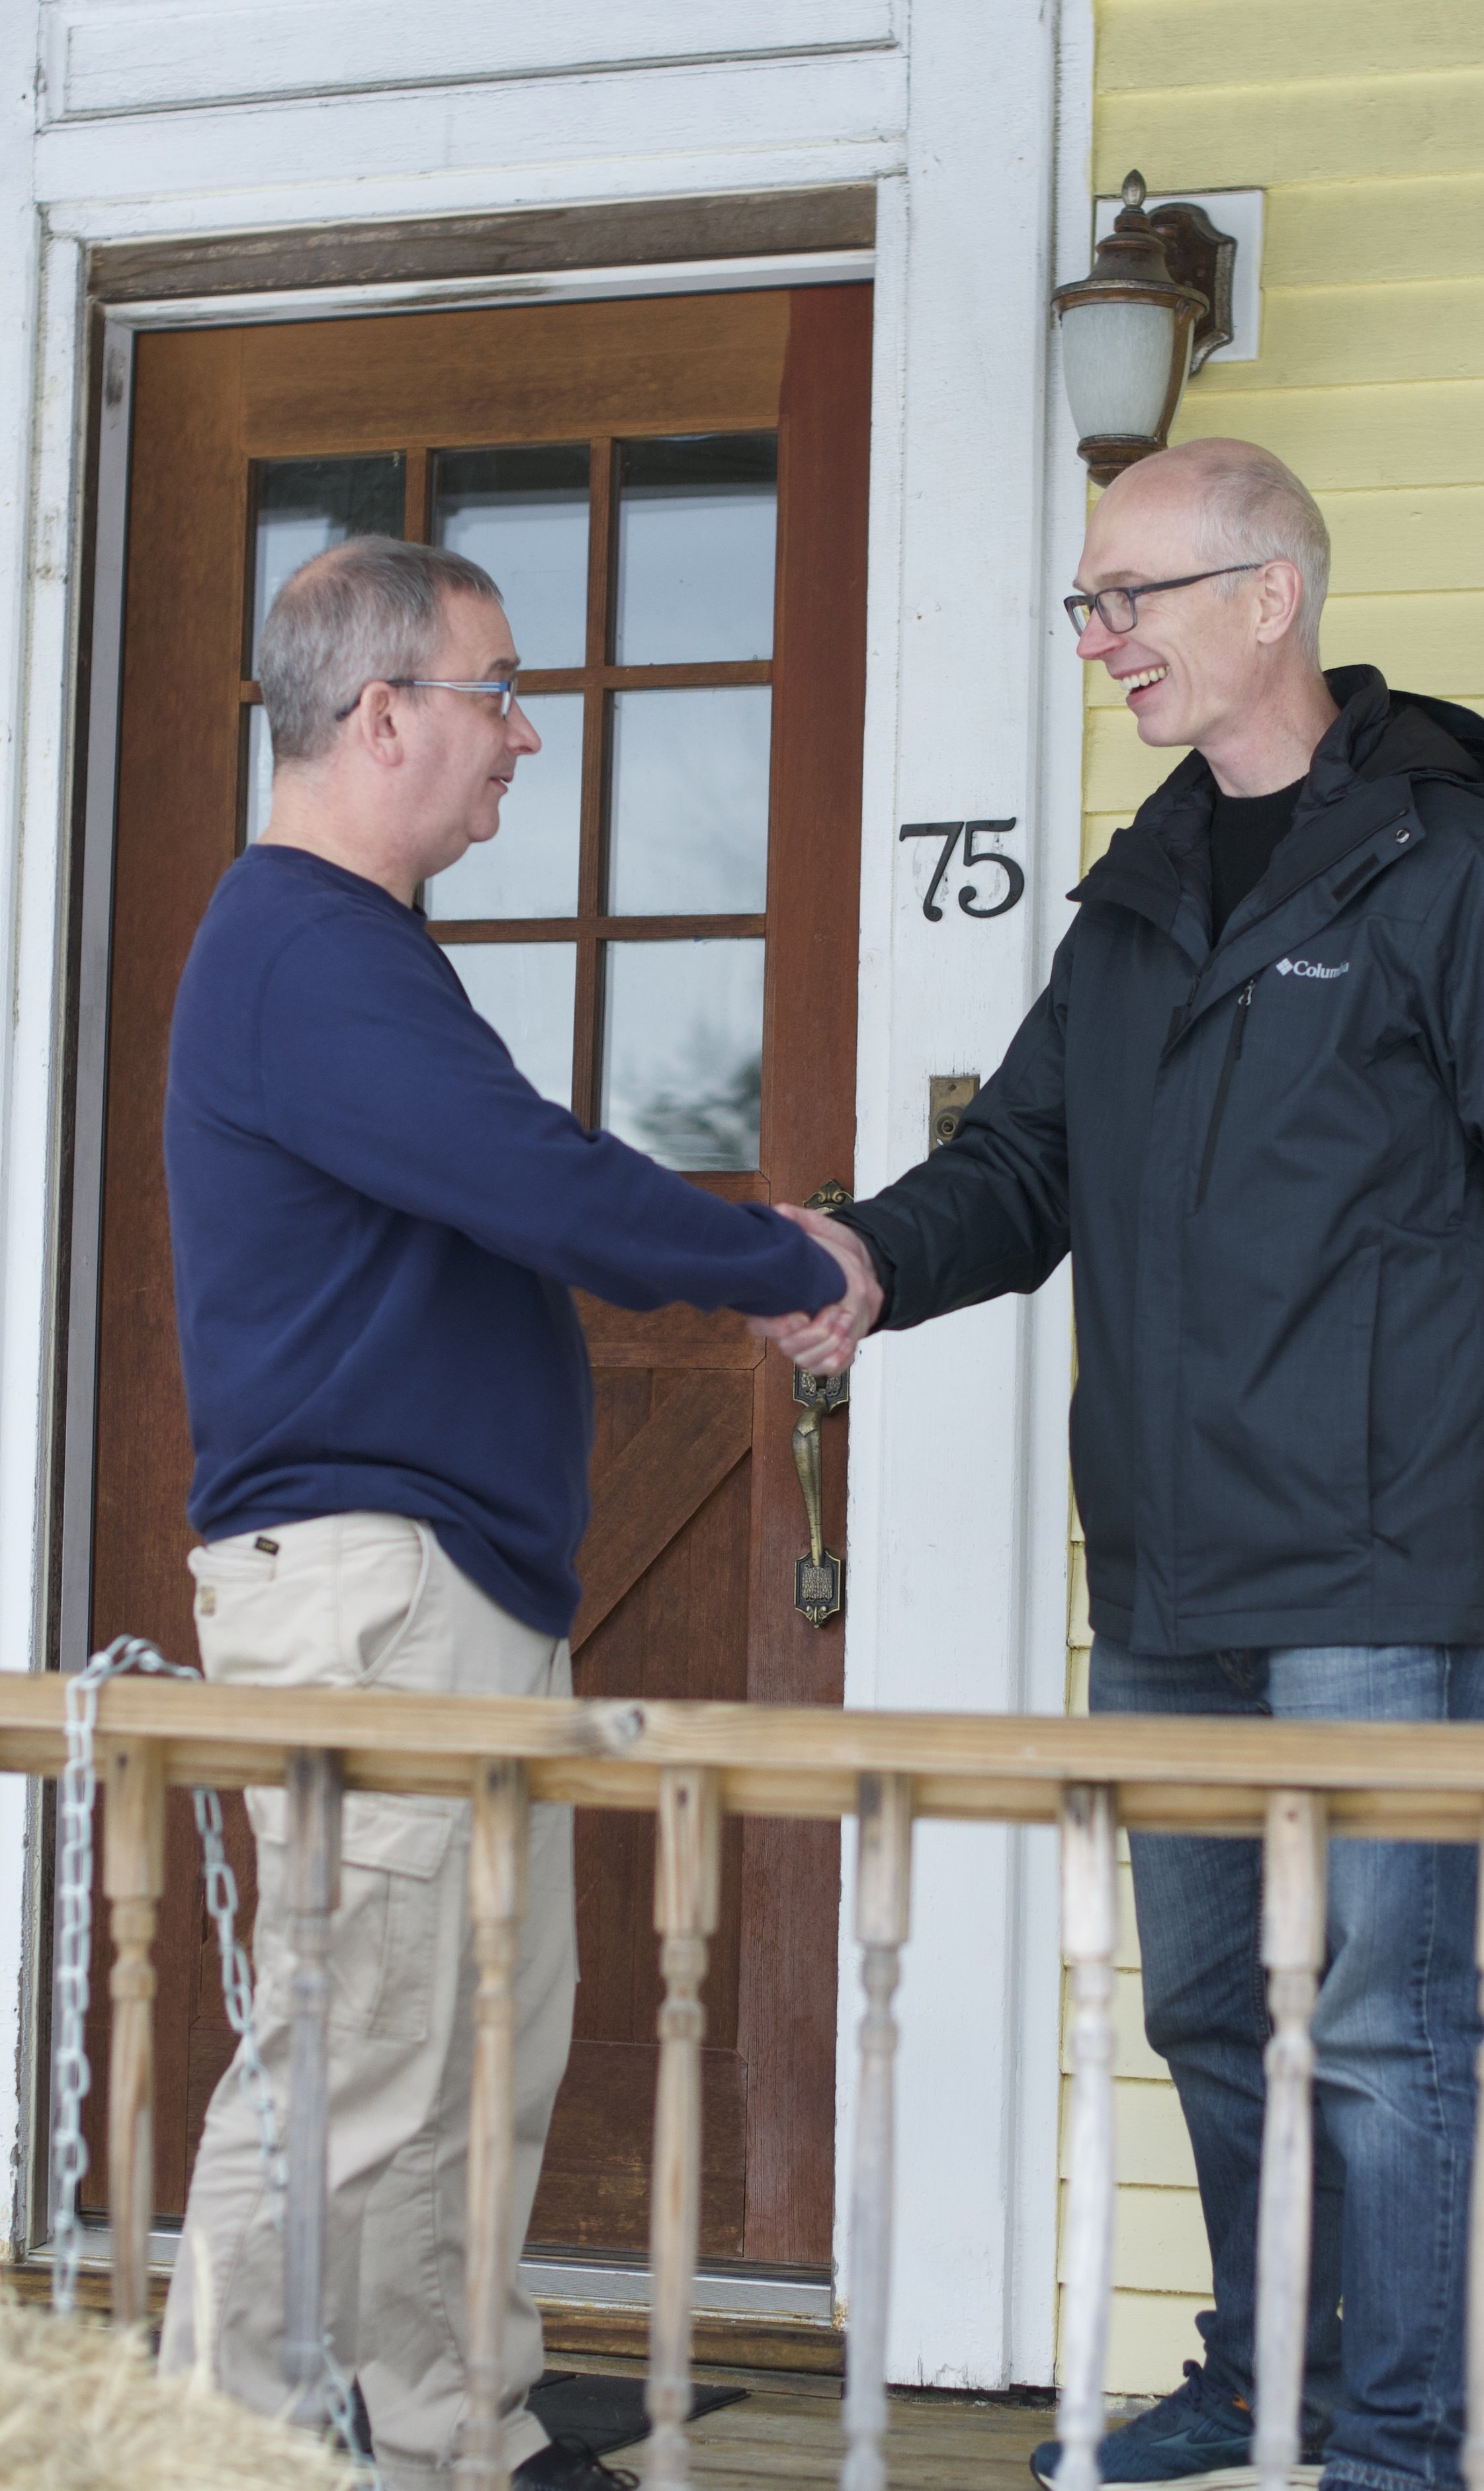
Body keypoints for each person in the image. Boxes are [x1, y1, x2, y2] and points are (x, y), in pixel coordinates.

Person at [754, 438, 1484, 2491]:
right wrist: (869, 1261)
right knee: (1214, 2019)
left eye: (1128, 599)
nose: (1100, 641)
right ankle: (1263, 2378)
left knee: (1392, 2041)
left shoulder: (1454, 872)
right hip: (1164, 1580)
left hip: (1380, 1575)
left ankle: (1402, 2443)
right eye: (1086, 605)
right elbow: (1026, 1160)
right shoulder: (1144, 892)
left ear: (1271, 600)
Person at [157, 535, 859, 2489]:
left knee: (478, 2049)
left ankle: (459, 2429)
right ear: (382, 713)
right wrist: (766, 1257)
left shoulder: (350, 944)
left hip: (444, 1588)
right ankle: (202, 2449)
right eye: (496, 689)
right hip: (374, 1599)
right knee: (355, 2061)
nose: (526, 734)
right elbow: (521, 1176)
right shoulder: (300, 941)